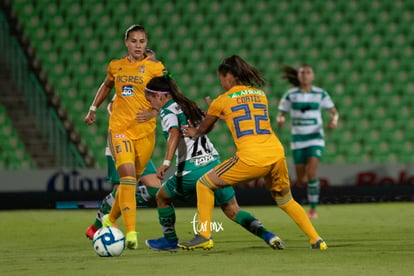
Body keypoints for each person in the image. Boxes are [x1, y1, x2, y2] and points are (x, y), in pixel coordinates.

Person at [179, 55, 328, 250]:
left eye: (221, 78)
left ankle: (204, 235)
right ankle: (316, 240)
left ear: (229, 76)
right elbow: (246, 118)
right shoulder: (260, 94)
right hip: (276, 154)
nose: (221, 83)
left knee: (204, 184)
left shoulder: (221, 100)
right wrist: (223, 115)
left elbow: (204, 128)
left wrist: (196, 131)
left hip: (251, 158)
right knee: (285, 200)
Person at [143, 76, 285, 252]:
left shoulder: (167, 111)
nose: (151, 105)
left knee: (162, 197)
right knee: (232, 209)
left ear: (160, 96)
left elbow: (173, 132)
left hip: (190, 170)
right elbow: (213, 119)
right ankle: (268, 236)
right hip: (214, 164)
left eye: (150, 99)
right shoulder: (190, 106)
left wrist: (165, 163)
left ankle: (170, 240)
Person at [84, 24, 167, 249]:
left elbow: (169, 92)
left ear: (146, 44)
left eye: (142, 41)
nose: (138, 45)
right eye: (134, 41)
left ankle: (107, 219)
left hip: (143, 137)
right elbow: (107, 84)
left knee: (150, 188)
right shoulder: (117, 68)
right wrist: (93, 107)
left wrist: (154, 111)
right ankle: (103, 227)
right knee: (126, 183)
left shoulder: (154, 68)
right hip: (119, 135)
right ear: (126, 43)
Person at [276, 65, 338, 219]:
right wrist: (281, 119)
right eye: (302, 72)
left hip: (315, 137)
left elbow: (333, 112)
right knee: (302, 180)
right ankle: (311, 195)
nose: (305, 75)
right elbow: (281, 113)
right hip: (298, 139)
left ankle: (313, 209)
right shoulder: (291, 94)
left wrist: (334, 121)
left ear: (313, 76)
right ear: (297, 76)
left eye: (308, 72)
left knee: (311, 172)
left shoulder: (320, 94)